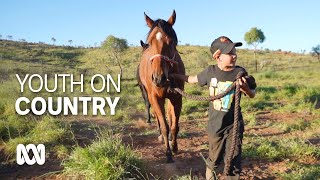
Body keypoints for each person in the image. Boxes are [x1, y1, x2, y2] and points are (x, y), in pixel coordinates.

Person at [171, 36, 256, 180]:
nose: (234, 55)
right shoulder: (210, 71)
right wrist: (174, 76)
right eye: (229, 53)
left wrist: (246, 89)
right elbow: (192, 79)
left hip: (234, 125)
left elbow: (252, 94)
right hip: (215, 126)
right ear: (218, 57)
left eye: (234, 51)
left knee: (233, 159)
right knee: (214, 160)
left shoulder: (240, 73)